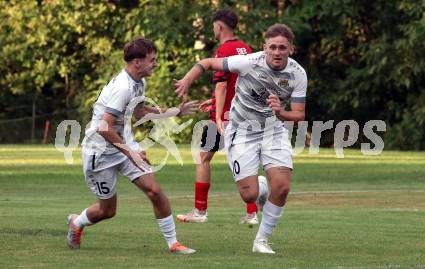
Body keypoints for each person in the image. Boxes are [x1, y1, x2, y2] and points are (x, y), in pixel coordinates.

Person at [174, 24, 307, 254]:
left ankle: (262, 240)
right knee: (249, 194)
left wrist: (280, 113)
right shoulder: (248, 62)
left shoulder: (298, 73)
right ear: (264, 48)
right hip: (242, 132)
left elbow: (299, 115)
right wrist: (187, 79)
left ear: (291, 49)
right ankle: (261, 187)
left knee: (283, 187)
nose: (277, 52)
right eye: (272, 47)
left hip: (273, 130)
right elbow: (207, 63)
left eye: (282, 48)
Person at [66, 37, 198, 254]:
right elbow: (104, 127)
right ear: (137, 62)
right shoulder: (123, 88)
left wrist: (175, 112)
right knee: (108, 211)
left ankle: (173, 243)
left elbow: (140, 112)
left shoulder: (139, 82)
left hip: (123, 147)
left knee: (155, 191)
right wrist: (132, 152)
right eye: (152, 60)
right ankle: (77, 222)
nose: (155, 63)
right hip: (100, 153)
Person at [176, 9, 261, 225]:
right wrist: (213, 101)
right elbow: (239, 85)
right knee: (243, 160)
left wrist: (219, 115)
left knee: (203, 158)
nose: (213, 29)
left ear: (219, 26)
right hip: (245, 113)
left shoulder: (224, 50)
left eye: (214, 26)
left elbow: (222, 86)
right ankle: (252, 214)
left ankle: (200, 212)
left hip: (225, 117)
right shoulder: (246, 48)